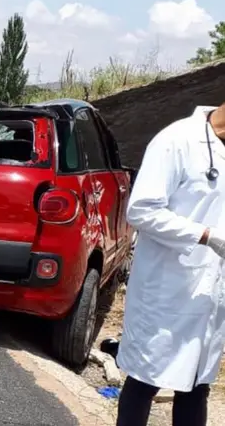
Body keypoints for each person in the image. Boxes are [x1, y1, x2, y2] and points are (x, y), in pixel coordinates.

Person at [115, 103, 225, 426]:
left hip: (210, 298)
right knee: (144, 381)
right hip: (165, 294)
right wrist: (206, 236)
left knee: (196, 387)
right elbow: (141, 210)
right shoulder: (176, 141)